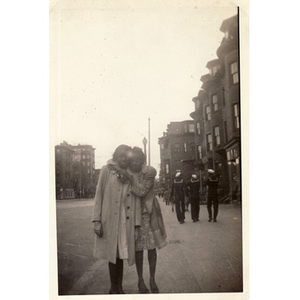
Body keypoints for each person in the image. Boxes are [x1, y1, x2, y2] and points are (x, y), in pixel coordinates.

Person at [91, 144, 141, 294]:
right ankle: (114, 288)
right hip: (110, 220)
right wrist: (96, 220)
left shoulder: (131, 173)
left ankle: (118, 287)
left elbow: (136, 199)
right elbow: (99, 194)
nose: (124, 159)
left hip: (125, 220)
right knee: (112, 254)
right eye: (121, 156)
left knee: (120, 253)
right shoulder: (107, 170)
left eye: (127, 156)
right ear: (116, 156)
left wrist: (137, 224)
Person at [128, 147, 167, 294]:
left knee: (151, 248)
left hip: (149, 214)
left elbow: (142, 191)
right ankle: (140, 280)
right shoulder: (131, 172)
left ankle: (152, 278)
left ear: (142, 159)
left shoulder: (149, 171)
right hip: (134, 215)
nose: (135, 163)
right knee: (138, 250)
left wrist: (129, 180)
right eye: (133, 160)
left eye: (138, 160)